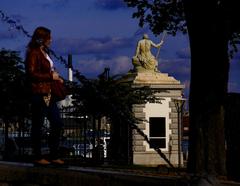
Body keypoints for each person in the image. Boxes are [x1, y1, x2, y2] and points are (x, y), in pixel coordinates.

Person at [25, 26, 65, 166]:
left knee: (57, 123)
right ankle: (38, 156)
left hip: (49, 93)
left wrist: (56, 76)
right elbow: (31, 73)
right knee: (38, 125)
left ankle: (54, 155)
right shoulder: (33, 53)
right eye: (49, 37)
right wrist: (50, 76)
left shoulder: (45, 52)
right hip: (39, 93)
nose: (51, 40)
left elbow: (49, 70)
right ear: (42, 39)